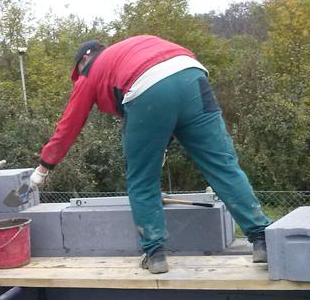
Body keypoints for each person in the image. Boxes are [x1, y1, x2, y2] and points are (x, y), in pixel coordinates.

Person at [29, 36, 271, 273]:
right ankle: (262, 238)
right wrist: (162, 143)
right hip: (191, 74)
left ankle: (155, 254)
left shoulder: (90, 72)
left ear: (84, 60)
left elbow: (69, 125)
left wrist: (44, 166)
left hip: (147, 88)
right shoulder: (131, 49)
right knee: (223, 165)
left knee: (142, 179)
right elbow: (173, 95)